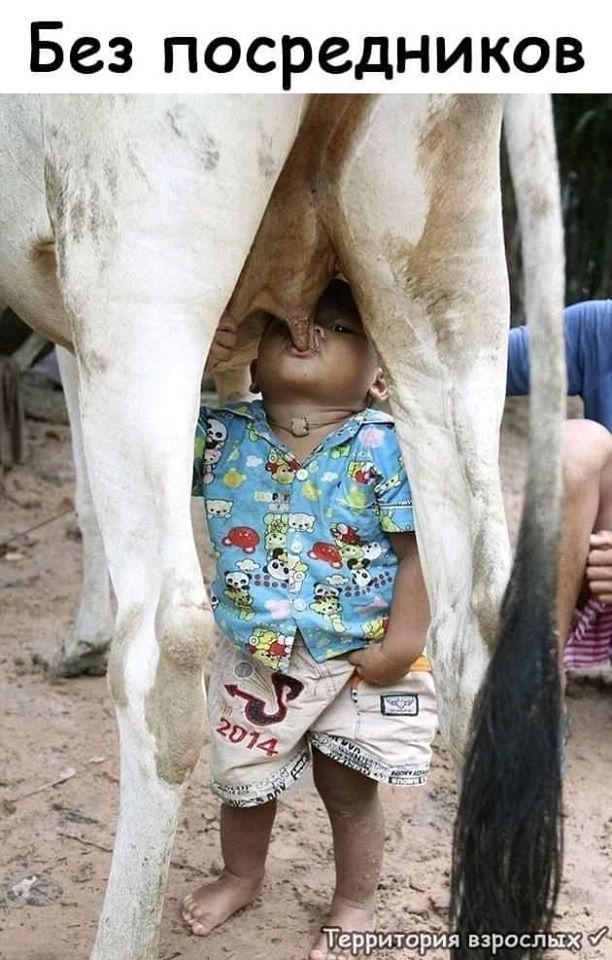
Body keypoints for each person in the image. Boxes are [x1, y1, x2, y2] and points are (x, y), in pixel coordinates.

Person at [183, 280, 437, 960]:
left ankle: (354, 900)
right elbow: (145, 438)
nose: (308, 329)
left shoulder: (386, 445)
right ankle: (242, 873)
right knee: (242, 781)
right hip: (254, 651)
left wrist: (403, 642)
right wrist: (192, 361)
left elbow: (419, 553)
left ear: (378, 374)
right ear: (254, 362)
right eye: (283, 325)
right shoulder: (218, 433)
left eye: (338, 326)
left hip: (357, 654)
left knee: (347, 786)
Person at [507, 299, 612, 671]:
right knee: (578, 442)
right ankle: (541, 687)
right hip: (597, 565)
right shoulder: (602, 327)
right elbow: (482, 361)